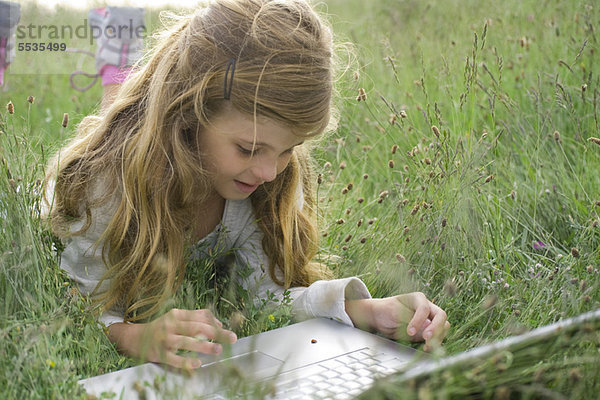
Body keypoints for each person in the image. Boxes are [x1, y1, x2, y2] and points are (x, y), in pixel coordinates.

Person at [45, 0, 450, 370]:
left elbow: (265, 294)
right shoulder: (109, 184)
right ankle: (115, 57)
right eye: (248, 148)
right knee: (115, 115)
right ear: (191, 110)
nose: (270, 172)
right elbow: (77, 303)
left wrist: (364, 308)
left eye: (289, 149)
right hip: (76, 202)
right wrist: (133, 335)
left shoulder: (262, 179)